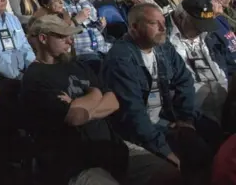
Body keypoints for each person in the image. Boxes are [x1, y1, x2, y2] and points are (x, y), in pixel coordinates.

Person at [24, 15, 181, 185]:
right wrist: (96, 95)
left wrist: (86, 105)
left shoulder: (77, 65)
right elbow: (74, 117)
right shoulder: (35, 77)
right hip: (76, 163)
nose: (70, 41)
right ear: (43, 38)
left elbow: (113, 101)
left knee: (169, 174)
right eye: (62, 36)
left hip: (113, 148)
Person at [103, 3, 222, 184]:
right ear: (134, 28)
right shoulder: (121, 59)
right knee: (178, 170)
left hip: (166, 120)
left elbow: (185, 80)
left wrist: (185, 119)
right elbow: (134, 115)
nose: (162, 27)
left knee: (216, 141)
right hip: (136, 132)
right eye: (153, 23)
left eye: (162, 22)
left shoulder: (163, 47)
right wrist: (167, 152)